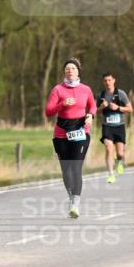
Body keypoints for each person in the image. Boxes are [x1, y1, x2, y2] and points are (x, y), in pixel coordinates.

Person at [45, 59, 97, 218]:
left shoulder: (85, 89)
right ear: (64, 72)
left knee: (76, 168)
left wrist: (90, 115)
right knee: (66, 170)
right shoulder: (58, 90)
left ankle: (75, 203)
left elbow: (92, 105)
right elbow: (48, 111)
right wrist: (62, 104)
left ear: (78, 71)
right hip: (61, 133)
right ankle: (71, 197)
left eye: (73, 68)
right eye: (67, 69)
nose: (70, 71)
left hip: (81, 132)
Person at [97, 73, 132, 184]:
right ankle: (111, 174)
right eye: (105, 80)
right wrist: (101, 107)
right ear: (103, 82)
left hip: (119, 126)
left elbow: (130, 109)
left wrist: (118, 107)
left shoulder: (120, 94)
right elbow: (94, 110)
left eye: (109, 80)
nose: (108, 82)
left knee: (120, 153)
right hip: (107, 126)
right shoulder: (101, 95)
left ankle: (119, 161)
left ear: (114, 80)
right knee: (108, 148)